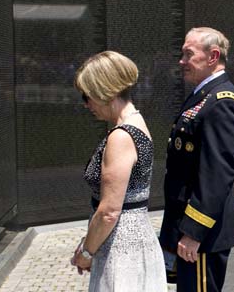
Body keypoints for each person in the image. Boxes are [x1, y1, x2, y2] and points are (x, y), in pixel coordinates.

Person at [159, 27, 234, 292]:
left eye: (188, 54)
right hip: (184, 222)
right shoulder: (204, 94)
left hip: (202, 234)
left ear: (213, 56)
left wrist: (194, 231)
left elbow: (217, 174)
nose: (181, 61)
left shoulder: (222, 101)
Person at [71, 51, 167, 292]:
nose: (86, 104)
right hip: (131, 244)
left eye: (88, 95)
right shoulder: (136, 122)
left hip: (121, 250)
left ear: (106, 91)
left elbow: (109, 212)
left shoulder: (122, 136)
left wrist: (86, 252)